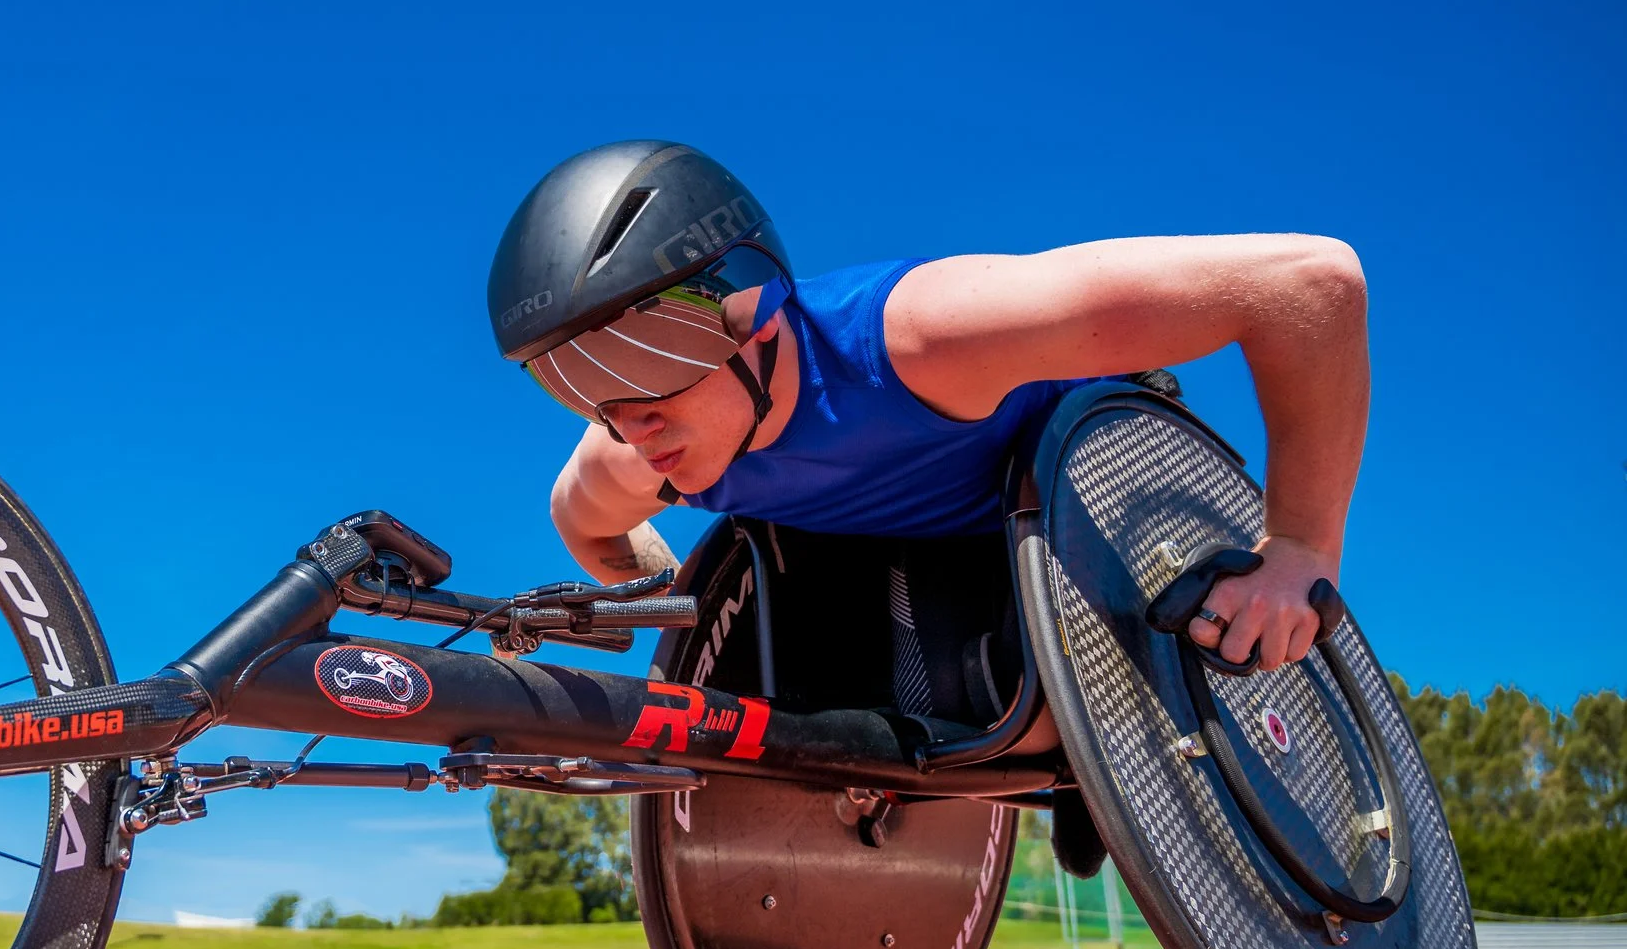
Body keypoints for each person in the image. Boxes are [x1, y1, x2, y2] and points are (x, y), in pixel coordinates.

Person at [487, 140, 1368, 682]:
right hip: (940, 593)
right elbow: (586, 527)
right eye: (576, 380)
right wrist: (685, 600)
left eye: (648, 356)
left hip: (1098, 520)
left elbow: (1307, 286)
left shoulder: (928, 336)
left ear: (752, 310)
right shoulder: (632, 456)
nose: (625, 419)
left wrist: (1298, 552)